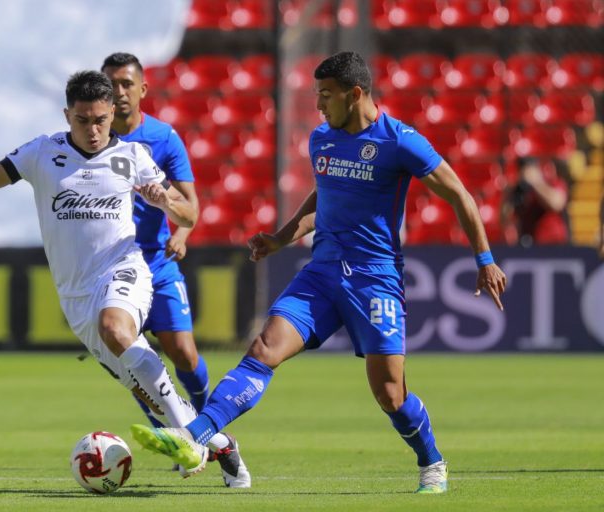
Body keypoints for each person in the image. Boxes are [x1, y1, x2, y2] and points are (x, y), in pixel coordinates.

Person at [130, 52, 508, 494]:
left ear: (355, 94)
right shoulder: (322, 139)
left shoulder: (400, 141)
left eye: (326, 95)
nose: (319, 104)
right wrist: (281, 238)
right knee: (264, 349)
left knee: (390, 394)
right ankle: (193, 436)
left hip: (374, 278)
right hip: (322, 274)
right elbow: (323, 197)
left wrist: (484, 259)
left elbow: (460, 194)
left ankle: (432, 462)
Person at [0, 70, 249, 487]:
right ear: (66, 115)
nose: (92, 130)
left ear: (111, 115)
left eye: (100, 121)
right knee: (144, 389)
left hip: (123, 269)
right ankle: (222, 444)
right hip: (75, 297)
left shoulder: (133, 156)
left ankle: (191, 440)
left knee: (116, 328)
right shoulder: (41, 152)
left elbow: (189, 214)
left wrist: (165, 201)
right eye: (82, 120)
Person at [100, 52, 209, 421]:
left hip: (156, 262)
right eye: (111, 84)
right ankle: (169, 432)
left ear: (143, 89)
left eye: (126, 84)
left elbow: (190, 204)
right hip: (111, 267)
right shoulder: (91, 141)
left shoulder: (163, 138)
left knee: (184, 354)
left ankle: (207, 417)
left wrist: (182, 233)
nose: (119, 91)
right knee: (131, 359)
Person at [502, 157, 569, 246]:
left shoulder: (553, 183)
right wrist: (509, 193)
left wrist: (536, 183)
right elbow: (504, 219)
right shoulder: (520, 190)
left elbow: (556, 204)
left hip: (554, 244)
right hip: (529, 244)